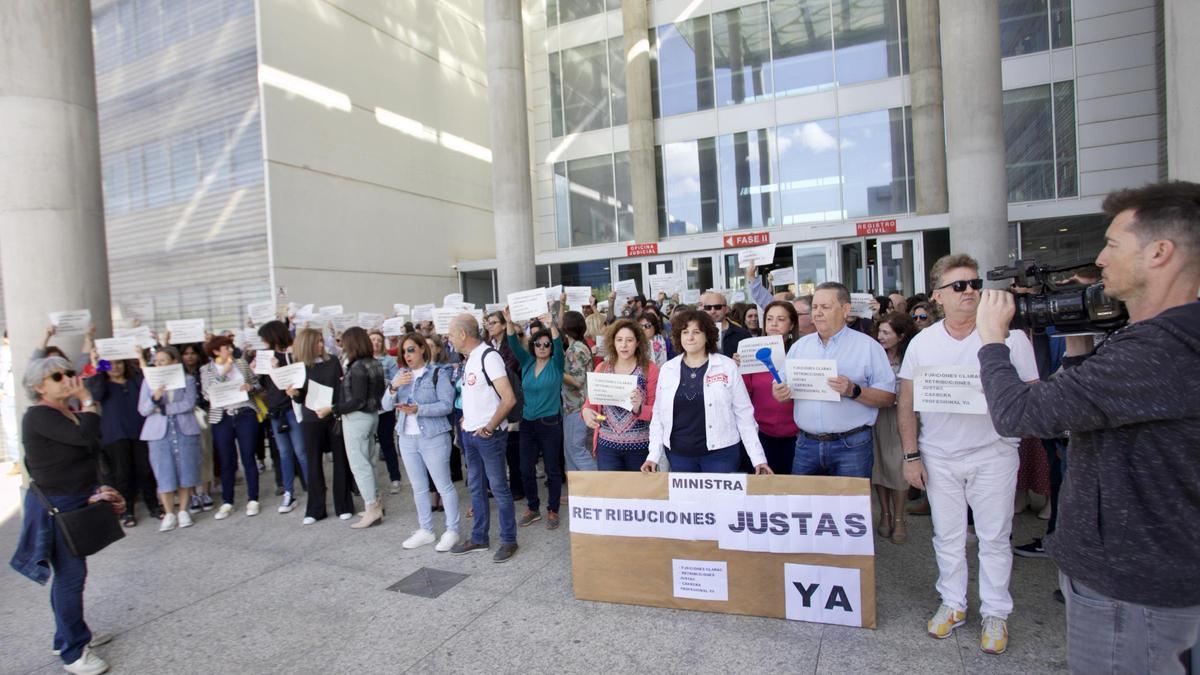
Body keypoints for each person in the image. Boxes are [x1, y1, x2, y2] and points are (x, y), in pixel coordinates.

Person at [975, 181, 1200, 672]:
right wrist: (1079, 348)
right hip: (1152, 572)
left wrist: (992, 342)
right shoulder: (1164, 341)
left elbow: (1017, 414)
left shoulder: (1156, 351)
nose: (1100, 259)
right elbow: (1100, 411)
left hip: (1133, 586)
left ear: (1160, 252)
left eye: (1113, 244)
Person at [898, 254, 1039, 655]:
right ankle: (953, 603)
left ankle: (995, 611)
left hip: (993, 452)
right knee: (948, 535)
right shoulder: (922, 342)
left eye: (975, 284)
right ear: (938, 296)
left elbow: (1033, 391)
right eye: (959, 286)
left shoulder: (1010, 337)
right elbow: (906, 402)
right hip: (939, 455)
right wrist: (911, 457)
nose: (970, 292)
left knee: (995, 536)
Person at [11, 357, 121, 675]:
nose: (67, 379)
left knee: (70, 576)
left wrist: (97, 487)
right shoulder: (39, 415)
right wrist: (87, 401)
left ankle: (66, 636)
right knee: (71, 578)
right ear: (38, 386)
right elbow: (85, 438)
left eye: (69, 373)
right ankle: (74, 651)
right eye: (57, 376)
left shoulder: (65, 413)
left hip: (73, 499)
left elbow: (88, 446)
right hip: (56, 506)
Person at [771, 282, 896, 478]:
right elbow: (781, 389)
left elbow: (888, 397)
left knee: (851, 506)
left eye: (825, 307)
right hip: (806, 444)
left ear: (845, 309)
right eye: (814, 307)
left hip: (851, 445)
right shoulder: (799, 347)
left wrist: (854, 390)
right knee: (803, 506)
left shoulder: (868, 347)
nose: (818, 313)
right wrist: (779, 392)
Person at [644, 309, 771, 474]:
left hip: (721, 455)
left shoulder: (727, 366)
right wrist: (653, 455)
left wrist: (758, 459)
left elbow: (744, 415)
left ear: (707, 336)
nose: (689, 337)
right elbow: (659, 415)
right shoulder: (668, 369)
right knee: (686, 500)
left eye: (696, 332)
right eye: (684, 332)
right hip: (679, 455)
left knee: (720, 500)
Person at [446, 314, 519, 562]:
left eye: (452, 333)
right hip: (471, 435)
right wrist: (468, 420)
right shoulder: (469, 360)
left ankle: (509, 540)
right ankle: (479, 538)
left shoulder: (489, 357)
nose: (449, 338)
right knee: (476, 487)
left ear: (463, 334)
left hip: (490, 436)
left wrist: (489, 426)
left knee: (498, 488)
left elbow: (508, 399)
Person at [382, 332, 460, 551]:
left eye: (411, 349)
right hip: (407, 438)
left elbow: (446, 405)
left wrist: (419, 409)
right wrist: (393, 387)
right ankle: (425, 529)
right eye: (403, 351)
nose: (407, 355)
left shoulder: (437, 373)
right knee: (418, 488)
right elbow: (386, 406)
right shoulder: (401, 375)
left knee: (443, 485)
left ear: (422, 349)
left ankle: (451, 530)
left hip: (433, 436)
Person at [317, 327, 385, 529]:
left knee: (359, 464)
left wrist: (333, 408)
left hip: (357, 418)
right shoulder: (374, 363)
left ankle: (372, 507)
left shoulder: (357, 367)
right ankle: (376, 503)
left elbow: (357, 401)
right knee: (370, 461)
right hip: (372, 416)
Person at [504, 307, 565, 530]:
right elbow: (512, 344)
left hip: (550, 424)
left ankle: (552, 510)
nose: (542, 347)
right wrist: (509, 322)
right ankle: (533, 507)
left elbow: (558, 346)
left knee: (552, 469)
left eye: (546, 344)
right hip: (527, 424)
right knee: (525, 468)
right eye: (538, 344)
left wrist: (552, 325)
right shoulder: (528, 363)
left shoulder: (557, 364)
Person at [287, 328, 353, 524]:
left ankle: (344, 505)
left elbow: (341, 388)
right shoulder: (299, 367)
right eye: (316, 343)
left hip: (333, 415)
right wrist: (293, 394)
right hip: (311, 419)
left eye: (322, 342)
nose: (321, 346)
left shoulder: (332, 361)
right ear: (306, 345)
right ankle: (315, 509)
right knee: (314, 464)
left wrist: (337, 408)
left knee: (341, 461)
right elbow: (299, 397)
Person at [138, 347, 202, 532]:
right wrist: (155, 399)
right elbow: (143, 409)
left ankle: (183, 510)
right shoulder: (148, 382)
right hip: (158, 432)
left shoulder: (187, 379)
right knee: (163, 471)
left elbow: (188, 403)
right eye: (156, 361)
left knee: (186, 469)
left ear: (174, 361)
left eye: (163, 360)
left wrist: (164, 409)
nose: (158, 364)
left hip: (184, 429)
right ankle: (168, 512)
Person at [84, 356, 154, 527]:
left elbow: (149, 383)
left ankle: (153, 506)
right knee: (123, 474)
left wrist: (140, 356)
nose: (115, 367)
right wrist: (98, 364)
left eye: (118, 363)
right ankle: (127, 511)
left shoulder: (134, 381)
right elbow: (96, 393)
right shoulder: (104, 385)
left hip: (139, 432)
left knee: (145, 471)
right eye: (110, 365)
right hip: (115, 434)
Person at [200, 334, 262, 520]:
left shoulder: (241, 363)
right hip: (222, 417)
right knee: (227, 460)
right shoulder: (207, 369)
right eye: (225, 347)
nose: (229, 350)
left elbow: (257, 383)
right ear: (216, 351)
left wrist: (250, 387)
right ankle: (228, 501)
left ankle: (253, 498)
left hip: (244, 412)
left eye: (230, 346)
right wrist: (222, 374)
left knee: (248, 456)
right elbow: (206, 394)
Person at [583, 319, 659, 471]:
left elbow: (657, 411)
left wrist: (639, 408)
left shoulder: (649, 368)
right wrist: (585, 411)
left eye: (629, 340)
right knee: (611, 493)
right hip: (607, 447)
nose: (624, 345)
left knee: (638, 494)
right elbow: (591, 402)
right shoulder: (602, 367)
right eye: (619, 340)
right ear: (613, 342)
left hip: (640, 446)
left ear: (638, 343)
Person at [870, 312, 917, 544]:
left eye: (886, 333)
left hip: (902, 415)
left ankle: (899, 517)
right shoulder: (873, 354)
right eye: (879, 331)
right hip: (877, 414)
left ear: (901, 335)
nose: (880, 337)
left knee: (898, 467)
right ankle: (885, 513)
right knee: (879, 466)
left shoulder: (912, 356)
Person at [254, 320, 307, 514]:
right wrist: (256, 370)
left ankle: (313, 489)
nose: (263, 342)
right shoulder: (264, 358)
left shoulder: (291, 355)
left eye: (265, 338)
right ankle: (288, 492)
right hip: (275, 411)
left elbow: (294, 380)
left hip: (292, 409)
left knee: (301, 452)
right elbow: (260, 385)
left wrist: (276, 368)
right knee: (284, 454)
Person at [741, 301, 800, 474]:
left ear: (792, 325)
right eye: (769, 319)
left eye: (780, 319)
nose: (773, 324)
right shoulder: (752, 353)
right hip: (760, 435)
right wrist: (737, 368)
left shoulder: (801, 351)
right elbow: (744, 394)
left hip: (795, 437)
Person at [179, 343, 215, 511]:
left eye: (193, 353)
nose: (190, 357)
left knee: (205, 451)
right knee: (187, 455)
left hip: (202, 413)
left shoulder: (205, 370)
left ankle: (206, 491)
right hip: (183, 416)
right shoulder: (176, 373)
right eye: (186, 353)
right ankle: (192, 494)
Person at [369, 329, 404, 494]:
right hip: (368, 409)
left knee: (387, 443)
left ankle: (395, 478)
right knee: (369, 447)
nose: (375, 342)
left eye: (378, 340)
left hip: (384, 409)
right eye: (372, 340)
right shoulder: (363, 360)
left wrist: (385, 383)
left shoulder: (388, 360)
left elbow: (396, 380)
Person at [560, 310, 595, 472]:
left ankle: (597, 488)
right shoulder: (575, 347)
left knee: (576, 449)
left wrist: (556, 370)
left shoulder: (576, 349)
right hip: (573, 406)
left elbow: (578, 381)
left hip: (578, 406)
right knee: (570, 450)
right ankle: (578, 494)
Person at [700, 291, 751, 357]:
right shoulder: (698, 333)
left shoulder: (742, 334)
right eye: (708, 308)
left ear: (726, 309)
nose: (712, 311)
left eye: (717, 307)